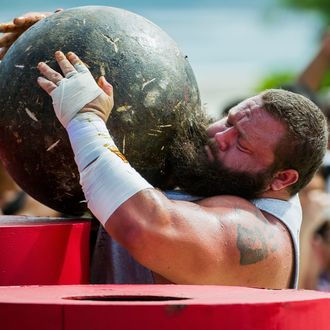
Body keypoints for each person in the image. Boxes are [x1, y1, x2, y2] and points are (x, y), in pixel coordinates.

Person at [1, 11, 328, 289]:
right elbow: (140, 116)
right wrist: (75, 41)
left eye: (240, 142)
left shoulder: (262, 240)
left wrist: (85, 118)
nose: (219, 136)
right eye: (228, 120)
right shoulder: (218, 175)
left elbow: (145, 227)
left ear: (282, 178)